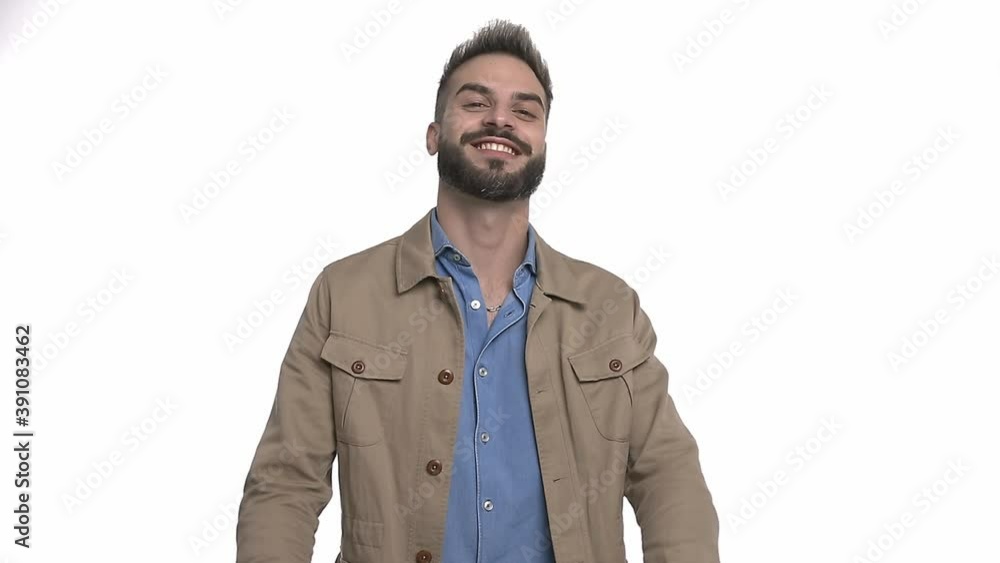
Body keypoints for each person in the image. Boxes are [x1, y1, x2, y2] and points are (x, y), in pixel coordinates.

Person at [236, 18, 720, 563]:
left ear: (541, 143)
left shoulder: (610, 307)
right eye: (475, 103)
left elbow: (668, 474)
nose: (500, 120)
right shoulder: (344, 294)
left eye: (525, 111)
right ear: (433, 134)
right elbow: (285, 485)